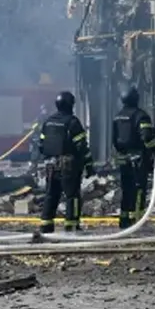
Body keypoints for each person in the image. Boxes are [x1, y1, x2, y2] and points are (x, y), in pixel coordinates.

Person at [36, 91, 94, 234]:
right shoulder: (72, 122)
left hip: (50, 165)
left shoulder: (48, 122)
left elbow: (41, 145)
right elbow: (81, 146)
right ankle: (71, 225)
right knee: (72, 195)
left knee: (51, 195)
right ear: (71, 105)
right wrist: (88, 165)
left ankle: (46, 225)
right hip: (68, 165)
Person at [111, 86, 155, 229]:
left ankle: (124, 220)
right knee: (139, 189)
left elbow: (114, 138)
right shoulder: (140, 115)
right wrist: (154, 149)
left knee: (126, 189)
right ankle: (137, 220)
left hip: (123, 158)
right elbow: (146, 137)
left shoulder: (118, 116)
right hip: (138, 158)